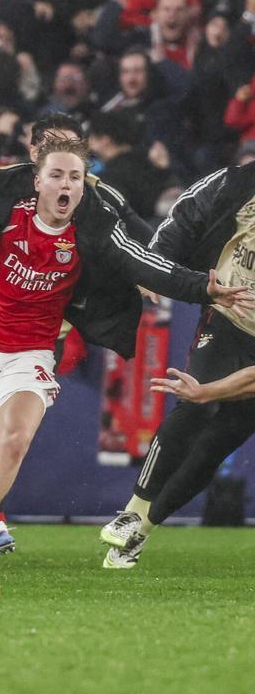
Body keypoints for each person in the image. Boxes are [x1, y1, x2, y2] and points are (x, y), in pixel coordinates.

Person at [0, 138, 251, 575]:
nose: (65, 185)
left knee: (13, 440)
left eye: (74, 177)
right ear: (37, 181)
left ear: (83, 186)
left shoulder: (94, 230)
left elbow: (145, 263)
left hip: (30, 351)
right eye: (56, 175)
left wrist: (202, 287)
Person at [100, 158, 255, 568]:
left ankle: (141, 530)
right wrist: (157, 263)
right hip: (228, 317)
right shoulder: (240, 179)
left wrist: (209, 392)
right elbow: (188, 211)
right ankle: (133, 510)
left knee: (219, 443)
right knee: (193, 409)